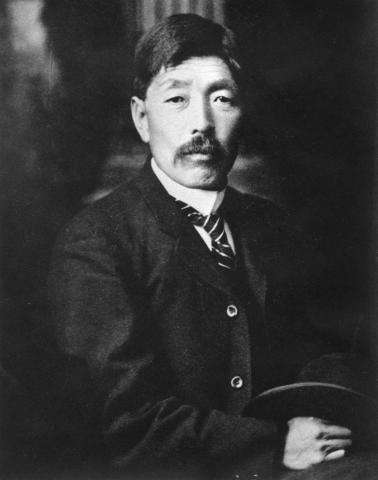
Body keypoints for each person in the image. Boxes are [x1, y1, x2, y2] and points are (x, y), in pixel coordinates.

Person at [48, 14, 352, 480]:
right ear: (142, 118)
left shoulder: (271, 224)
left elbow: (325, 345)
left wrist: (331, 402)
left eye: (222, 99)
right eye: (177, 100)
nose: (202, 124)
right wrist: (273, 444)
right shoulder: (96, 243)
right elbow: (123, 421)